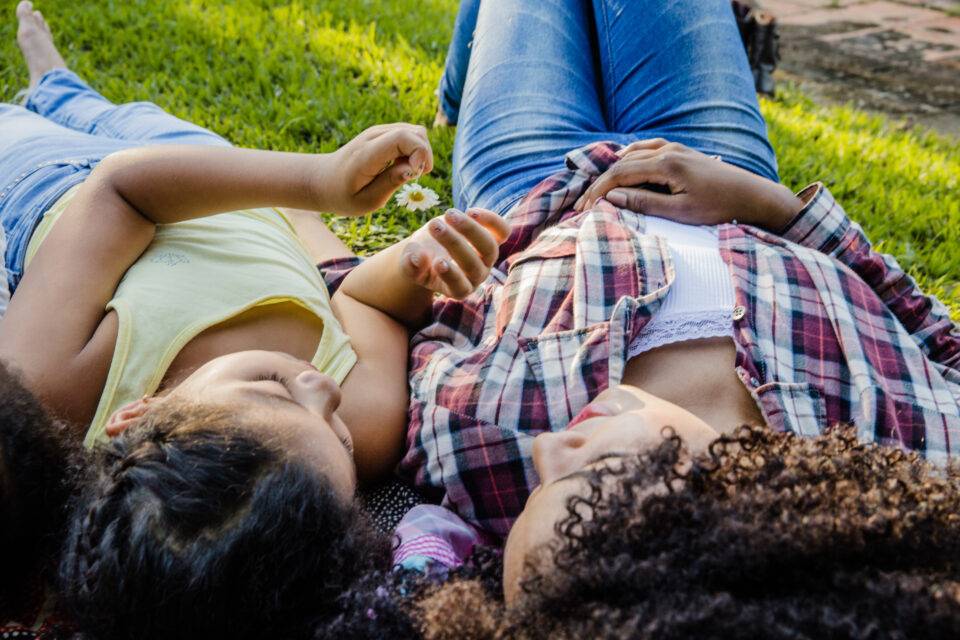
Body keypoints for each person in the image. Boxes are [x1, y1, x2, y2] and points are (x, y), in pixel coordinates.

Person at [377, 0, 960, 609]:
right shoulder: (908, 452)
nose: (548, 451)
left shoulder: (482, 456)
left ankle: (456, 93)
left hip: (534, 177)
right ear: (737, 530)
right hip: (721, 161)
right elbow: (942, 341)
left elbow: (413, 308)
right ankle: (457, 85)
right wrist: (774, 205)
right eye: (593, 476)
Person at [0, 3, 508, 639]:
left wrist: (319, 183)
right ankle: (59, 84)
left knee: (40, 124)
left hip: (53, 186)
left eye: (275, 389)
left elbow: (122, 191)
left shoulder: (54, 389)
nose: (325, 390)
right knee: (134, 119)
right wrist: (411, 267)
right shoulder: (365, 424)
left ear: (139, 417)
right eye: (338, 440)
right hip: (227, 176)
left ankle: (48, 87)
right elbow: (362, 300)